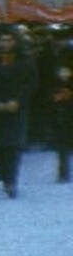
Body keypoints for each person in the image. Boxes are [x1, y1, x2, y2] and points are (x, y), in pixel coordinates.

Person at [0, 23, 37, 198]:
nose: (5, 43)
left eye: (8, 40)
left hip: (17, 109)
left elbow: (32, 83)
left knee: (13, 145)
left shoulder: (25, 59)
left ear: (15, 41)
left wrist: (18, 101)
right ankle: (4, 174)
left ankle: (11, 181)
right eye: (2, 40)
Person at [51, 44, 73, 183]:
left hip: (63, 107)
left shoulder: (59, 68)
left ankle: (63, 172)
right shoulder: (61, 69)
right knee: (63, 141)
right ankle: (63, 171)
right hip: (65, 106)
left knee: (63, 142)